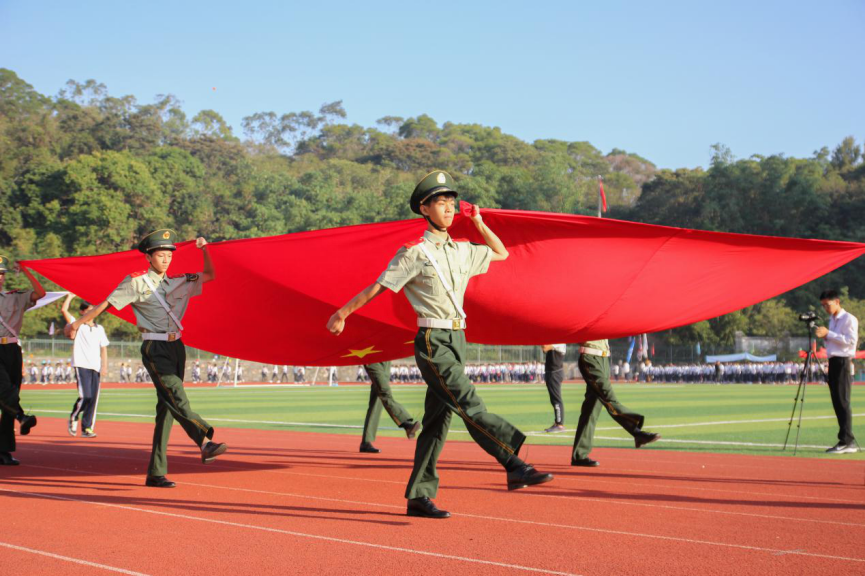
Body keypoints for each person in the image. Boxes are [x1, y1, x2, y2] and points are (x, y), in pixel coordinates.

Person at [327, 170, 553, 519]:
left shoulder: (463, 250)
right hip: (432, 341)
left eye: (451, 203)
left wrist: (477, 222)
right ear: (424, 208)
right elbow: (379, 287)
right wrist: (343, 313)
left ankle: (419, 495)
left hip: (457, 338)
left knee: (437, 422)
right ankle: (513, 462)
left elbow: (501, 253)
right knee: (468, 402)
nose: (449, 209)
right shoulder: (414, 254)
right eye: (441, 203)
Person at [64, 230, 227, 487]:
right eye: (160, 255)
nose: (166, 259)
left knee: (167, 409)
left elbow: (210, 275)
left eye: (169, 255)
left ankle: (155, 472)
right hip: (155, 347)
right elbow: (104, 304)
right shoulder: (136, 283)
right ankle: (205, 441)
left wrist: (205, 249)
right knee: (176, 396)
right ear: (149, 257)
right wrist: (77, 324)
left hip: (177, 347)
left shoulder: (179, 281)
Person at [571, 339, 661, 467]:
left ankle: (579, 455)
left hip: (604, 358)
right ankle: (636, 432)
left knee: (591, 409)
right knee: (609, 398)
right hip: (590, 357)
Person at [0, 255, 44, 465]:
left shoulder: (14, 297)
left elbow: (40, 293)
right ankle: (21, 417)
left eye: (1, 274)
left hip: (12, 349)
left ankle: (4, 451)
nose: (0, 277)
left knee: (10, 394)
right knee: (6, 391)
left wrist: (27, 270)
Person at [815, 289, 860, 454]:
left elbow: (850, 342)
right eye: (823, 306)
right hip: (833, 361)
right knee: (836, 401)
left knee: (842, 401)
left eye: (828, 304)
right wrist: (826, 336)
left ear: (837, 302)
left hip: (843, 361)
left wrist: (829, 333)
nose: (826, 308)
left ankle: (847, 440)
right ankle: (844, 439)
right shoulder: (832, 319)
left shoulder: (848, 319)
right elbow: (834, 341)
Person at [62, 294, 109, 438]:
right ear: (82, 312)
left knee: (93, 399)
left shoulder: (99, 328)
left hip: (95, 366)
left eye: (94, 309)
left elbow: (103, 348)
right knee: (86, 396)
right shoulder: (78, 324)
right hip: (81, 364)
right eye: (89, 310)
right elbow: (64, 311)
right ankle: (74, 416)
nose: (92, 312)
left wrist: (104, 366)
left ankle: (87, 428)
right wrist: (70, 297)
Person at [359, 362, 422, 453]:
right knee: (384, 391)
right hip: (371, 355)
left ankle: (366, 441)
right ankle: (406, 423)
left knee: (377, 398)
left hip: (386, 358)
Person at [542, 344, 567, 433]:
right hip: (551, 372)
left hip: (555, 373)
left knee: (556, 399)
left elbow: (545, 347)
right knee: (554, 400)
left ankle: (560, 424)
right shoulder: (555, 342)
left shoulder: (559, 342)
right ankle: (557, 422)